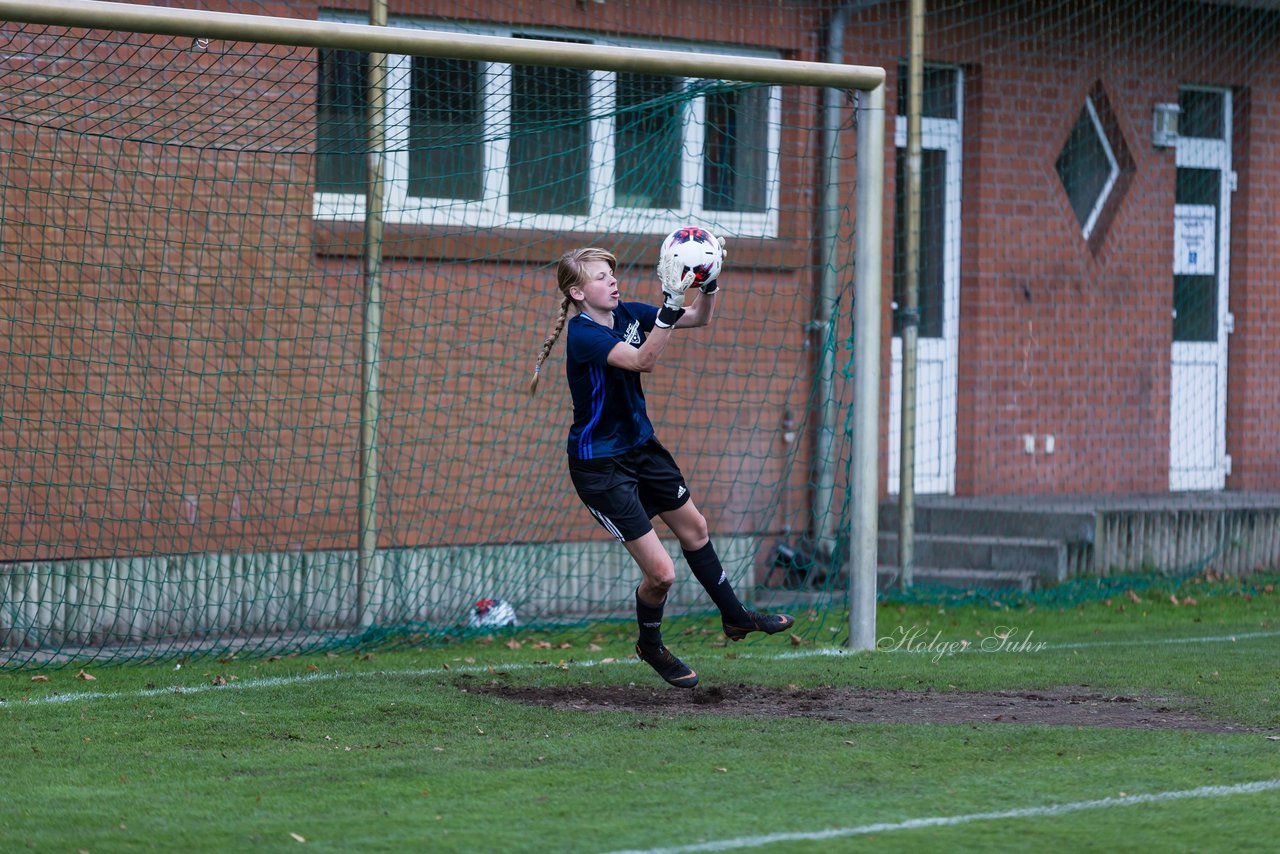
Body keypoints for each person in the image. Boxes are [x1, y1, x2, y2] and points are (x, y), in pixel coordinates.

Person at [529, 241, 794, 689]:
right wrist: (670, 305)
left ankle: (735, 617)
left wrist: (707, 282)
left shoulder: (627, 313)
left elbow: (699, 317)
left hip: (642, 449)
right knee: (662, 575)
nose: (612, 280)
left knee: (696, 529)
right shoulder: (585, 335)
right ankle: (650, 646)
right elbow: (642, 360)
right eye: (600, 277)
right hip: (601, 466)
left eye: (611, 274)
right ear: (577, 293)